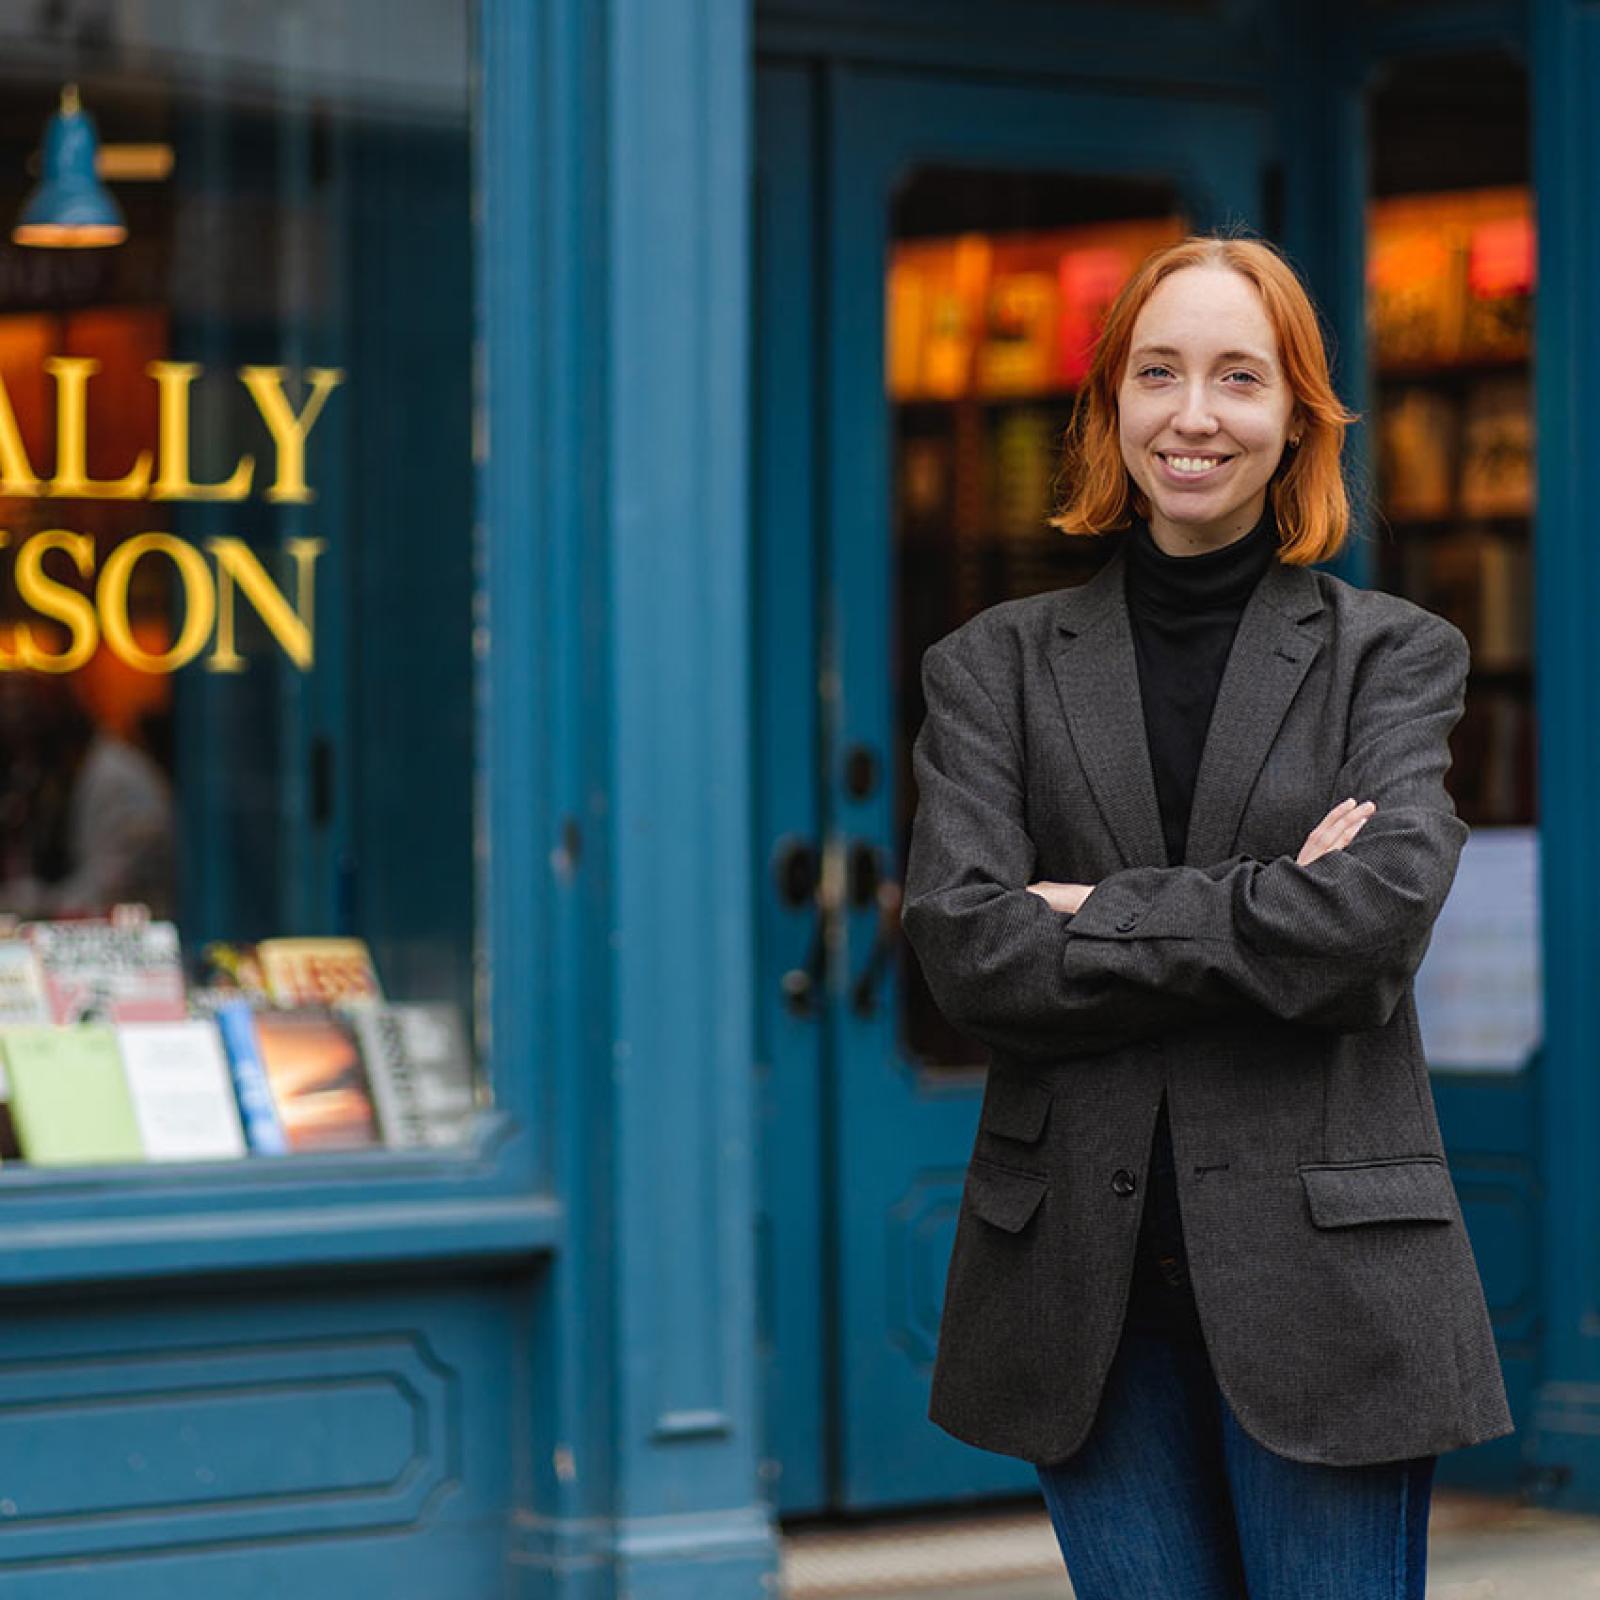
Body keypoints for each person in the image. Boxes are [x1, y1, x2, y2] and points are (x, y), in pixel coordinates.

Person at [899, 234, 1513, 1600]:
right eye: (1159, 372)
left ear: (1296, 413)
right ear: (1110, 402)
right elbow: (967, 950)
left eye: (1239, 377)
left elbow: (1370, 929)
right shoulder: (990, 666)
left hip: (1333, 1284)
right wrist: (1265, 914)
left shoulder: (1390, 655)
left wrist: (1092, 914)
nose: (1195, 415)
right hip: (1080, 1297)